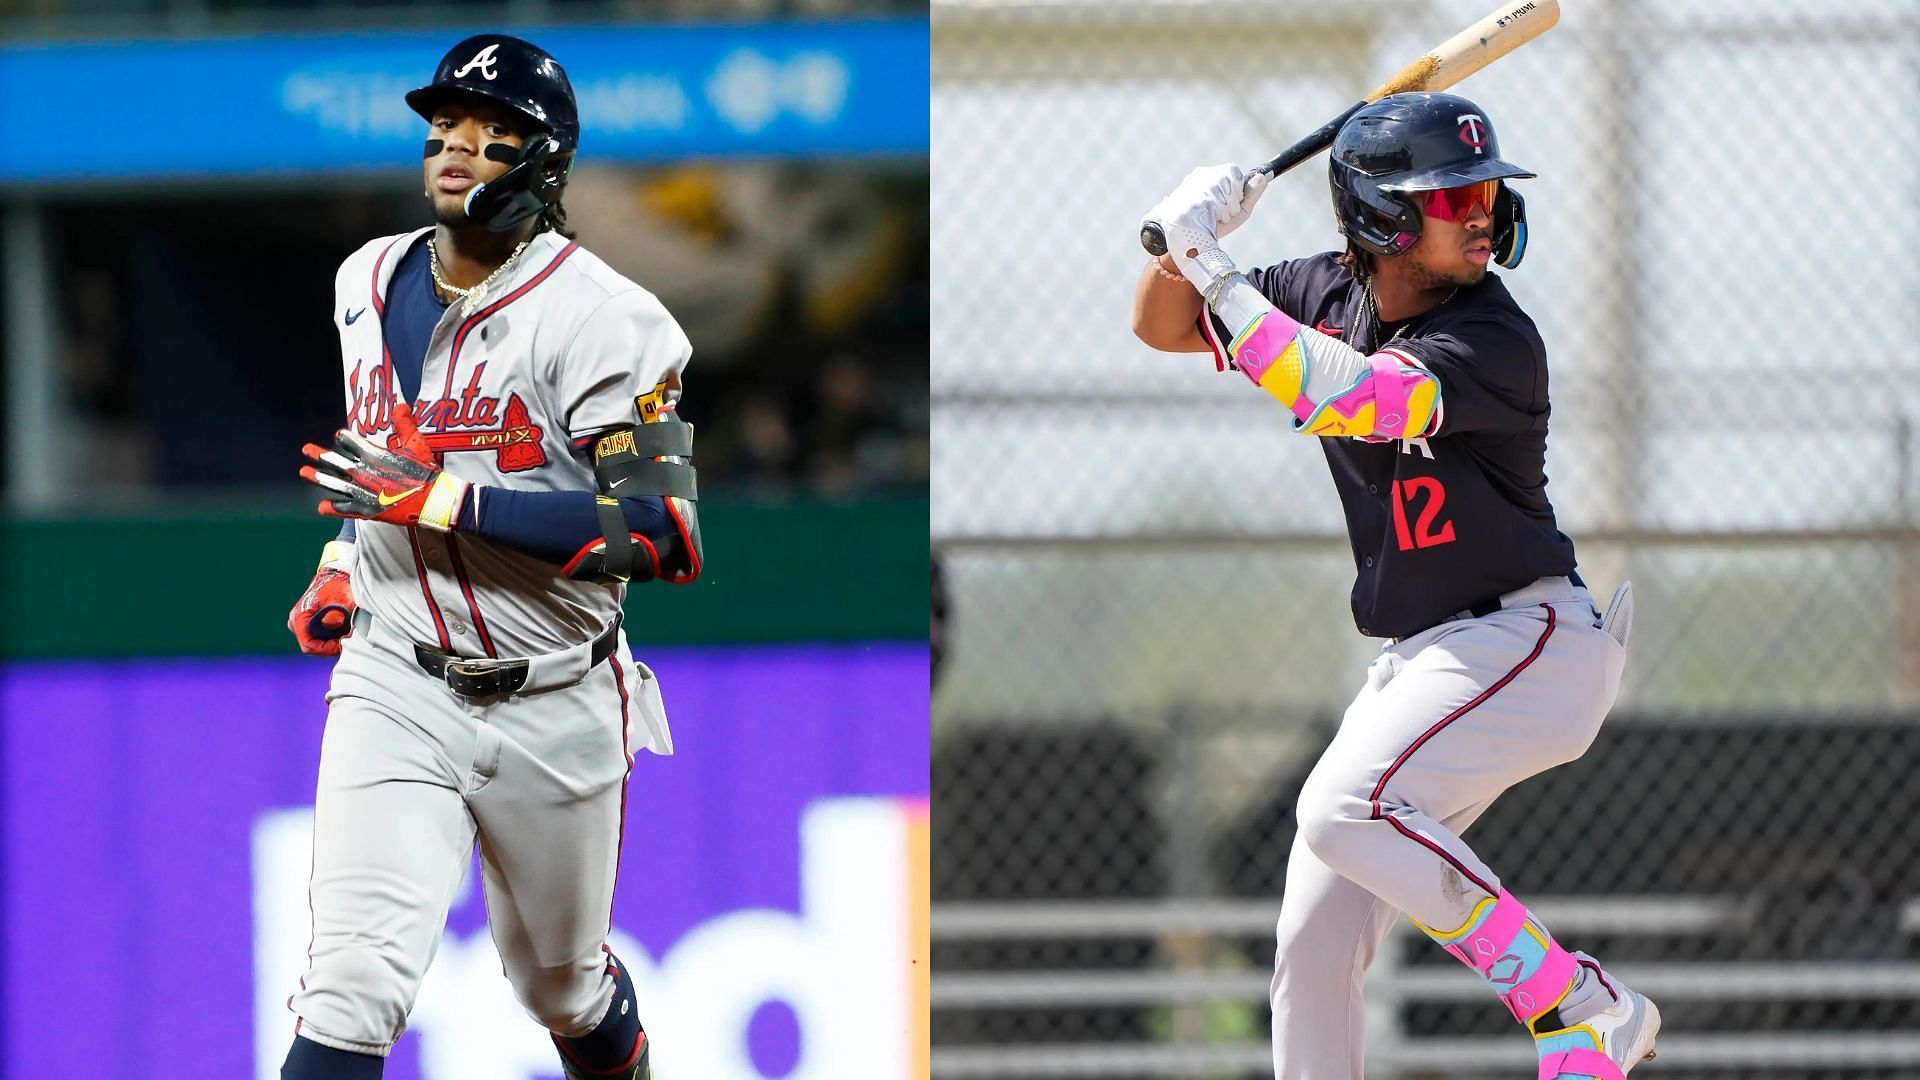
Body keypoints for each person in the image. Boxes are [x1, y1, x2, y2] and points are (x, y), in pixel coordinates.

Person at [1132, 92, 1658, 1080]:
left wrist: (1213, 265)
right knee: (1313, 944)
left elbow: (1349, 395)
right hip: (1423, 662)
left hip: (1527, 644)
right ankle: (1576, 1026)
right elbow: (1162, 326)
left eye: (1484, 191)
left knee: (1339, 807)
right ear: (1380, 218)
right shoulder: (1318, 288)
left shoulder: (1496, 336)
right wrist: (1181, 241)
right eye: (1449, 195)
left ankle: (1578, 1004)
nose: (1480, 212)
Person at [282, 34, 700, 1080]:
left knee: (561, 988)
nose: (457, 149)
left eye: (493, 135)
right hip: (396, 677)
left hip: (553, 695)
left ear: (545, 165)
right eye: (445, 129)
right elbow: (381, 473)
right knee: (351, 985)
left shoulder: (607, 317)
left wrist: (447, 501)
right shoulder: (364, 280)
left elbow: (660, 532)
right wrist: (345, 561)